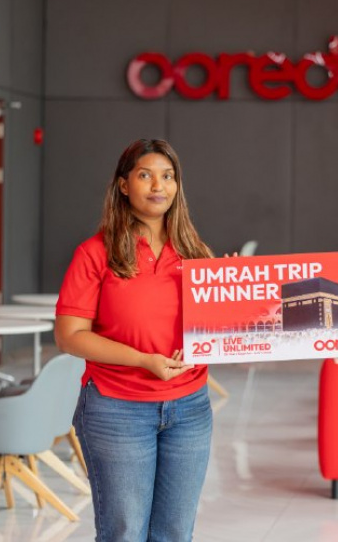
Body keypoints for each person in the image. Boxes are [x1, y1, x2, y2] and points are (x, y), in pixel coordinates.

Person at [54, 139, 214, 542]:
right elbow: (69, 336)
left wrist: (229, 289)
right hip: (117, 409)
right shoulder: (95, 253)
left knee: (175, 533)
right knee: (124, 533)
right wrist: (144, 360)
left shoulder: (196, 253)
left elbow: (219, 329)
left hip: (190, 407)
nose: (158, 185)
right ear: (124, 185)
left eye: (168, 176)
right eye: (145, 175)